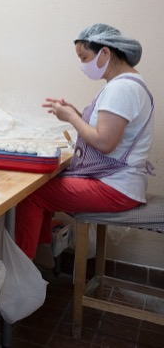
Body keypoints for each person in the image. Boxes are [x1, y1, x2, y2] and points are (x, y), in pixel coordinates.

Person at [15, 23, 154, 264]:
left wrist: (70, 118)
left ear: (105, 53)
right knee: (43, 185)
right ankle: (40, 260)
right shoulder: (126, 84)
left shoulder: (122, 88)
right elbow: (105, 131)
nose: (82, 65)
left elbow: (104, 142)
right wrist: (76, 114)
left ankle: (23, 268)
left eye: (85, 57)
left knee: (31, 194)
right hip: (121, 182)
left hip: (116, 188)